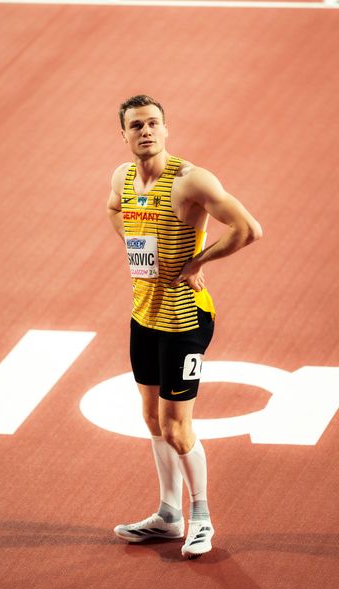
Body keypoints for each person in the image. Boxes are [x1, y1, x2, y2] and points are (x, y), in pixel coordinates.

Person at [107, 94, 262, 559]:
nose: (146, 132)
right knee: (151, 418)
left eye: (153, 123)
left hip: (184, 319)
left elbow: (248, 228)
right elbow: (115, 208)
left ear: (166, 129)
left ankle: (201, 519)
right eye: (136, 126)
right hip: (144, 314)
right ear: (124, 134)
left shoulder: (190, 180)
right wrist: (133, 239)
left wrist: (198, 260)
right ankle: (168, 515)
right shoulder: (124, 176)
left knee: (177, 427)